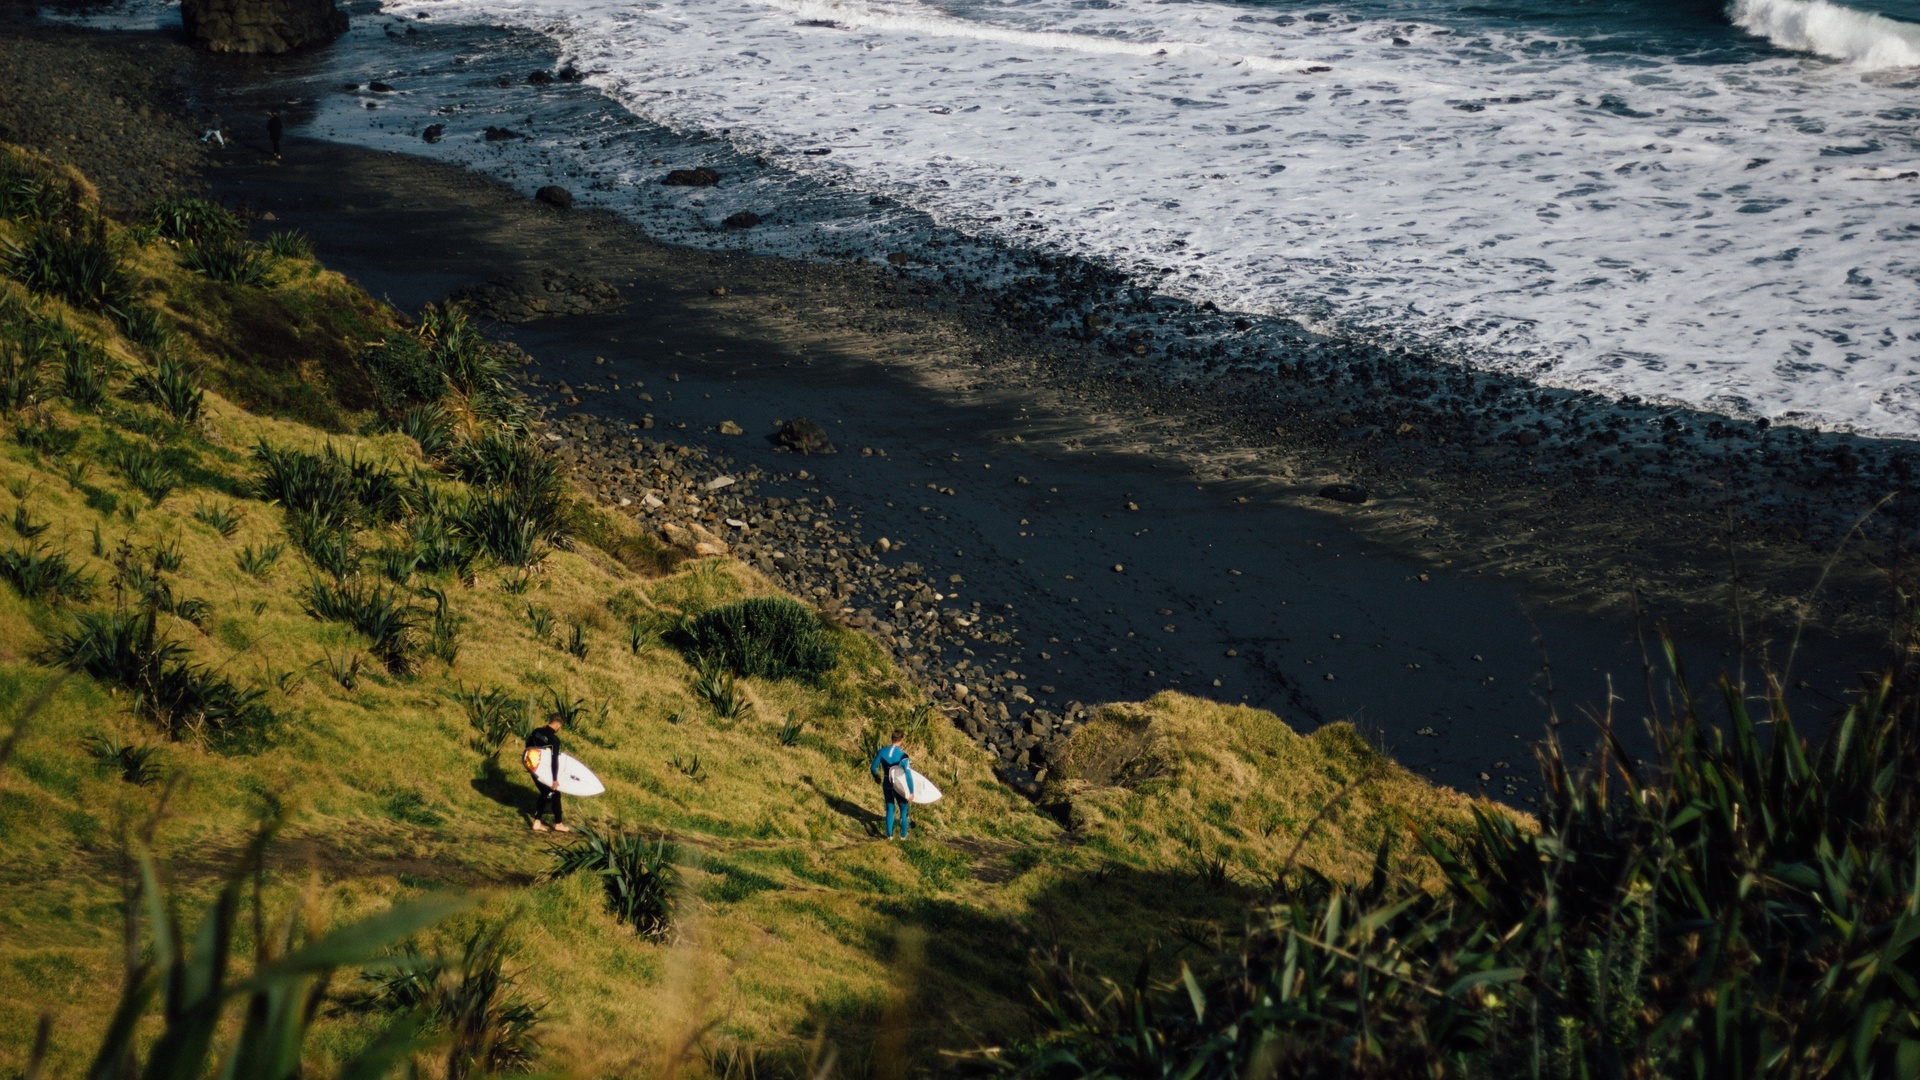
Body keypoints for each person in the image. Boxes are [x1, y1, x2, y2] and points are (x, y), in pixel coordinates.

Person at [523, 712, 573, 833]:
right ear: (557, 725)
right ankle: (555, 824)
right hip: (543, 771)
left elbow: (527, 748)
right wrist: (555, 779)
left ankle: (542, 822)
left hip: (532, 767)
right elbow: (554, 760)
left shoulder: (536, 732)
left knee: (548, 793)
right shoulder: (554, 740)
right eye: (560, 726)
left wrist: (529, 765)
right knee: (552, 793)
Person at [870, 729, 914, 840]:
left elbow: (873, 767)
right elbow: (908, 775)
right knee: (903, 810)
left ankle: (889, 836)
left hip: (887, 783)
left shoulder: (882, 751)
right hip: (899, 785)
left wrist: (876, 777)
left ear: (892, 738)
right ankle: (903, 837)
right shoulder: (903, 756)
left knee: (890, 808)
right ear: (902, 740)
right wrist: (911, 791)